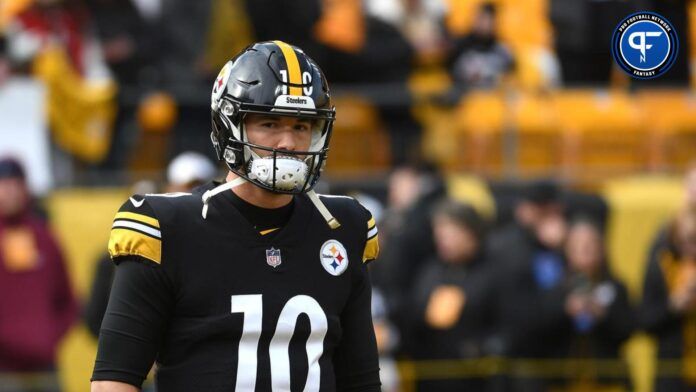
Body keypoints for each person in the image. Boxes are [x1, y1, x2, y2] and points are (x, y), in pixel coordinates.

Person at [91, 41, 381, 391]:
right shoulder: (167, 227)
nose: (288, 142)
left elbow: (360, 381)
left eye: (301, 126)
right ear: (230, 126)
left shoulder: (344, 226)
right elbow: (114, 381)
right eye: (270, 124)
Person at [84, 151, 217, 338]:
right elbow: (96, 319)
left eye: (199, 188)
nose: (193, 195)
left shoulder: (220, 246)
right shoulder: (111, 259)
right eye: (188, 187)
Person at [0, 157, 78, 391]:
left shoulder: (45, 237)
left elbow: (68, 299)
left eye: (16, 184)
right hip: (4, 371)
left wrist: (49, 336)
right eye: (4, 185)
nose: (10, 192)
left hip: (44, 368)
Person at [409, 200, 495, 391]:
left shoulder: (494, 272)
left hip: (476, 379)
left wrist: (481, 348)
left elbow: (509, 324)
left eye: (450, 234)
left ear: (472, 234)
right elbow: (414, 314)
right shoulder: (430, 270)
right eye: (439, 235)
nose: (443, 241)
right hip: (433, 375)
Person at [559, 217, 634, 390]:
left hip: (607, 379)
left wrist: (601, 313)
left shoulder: (616, 287)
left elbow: (629, 328)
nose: (585, 250)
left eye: (590, 245)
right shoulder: (559, 288)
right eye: (578, 245)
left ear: (602, 248)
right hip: (568, 378)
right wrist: (565, 310)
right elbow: (539, 327)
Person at [641, 204, 696, 391]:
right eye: (688, 240)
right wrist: (673, 306)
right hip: (672, 374)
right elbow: (645, 322)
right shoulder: (661, 266)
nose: (692, 248)